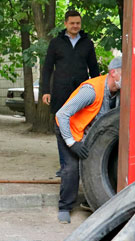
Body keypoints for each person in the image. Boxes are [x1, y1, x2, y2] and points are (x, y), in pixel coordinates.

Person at [53, 56, 122, 223]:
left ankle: (89, 200)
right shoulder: (91, 90)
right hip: (67, 129)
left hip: (88, 132)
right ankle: (64, 207)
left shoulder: (119, 92)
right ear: (114, 73)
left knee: (98, 164)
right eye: (126, 73)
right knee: (71, 168)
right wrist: (72, 143)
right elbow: (61, 114)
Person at [40, 10, 100, 177]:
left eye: (78, 23)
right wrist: (46, 91)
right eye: (72, 23)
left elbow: (94, 69)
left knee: (80, 126)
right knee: (61, 126)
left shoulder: (87, 43)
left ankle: (79, 164)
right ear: (65, 23)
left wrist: (99, 92)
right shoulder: (56, 43)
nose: (75, 26)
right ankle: (65, 166)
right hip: (60, 91)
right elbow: (47, 69)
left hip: (82, 93)